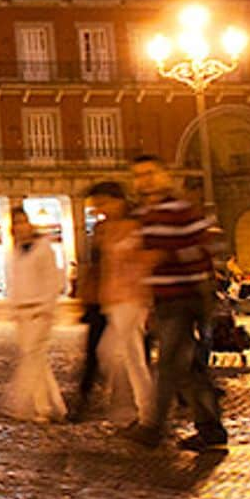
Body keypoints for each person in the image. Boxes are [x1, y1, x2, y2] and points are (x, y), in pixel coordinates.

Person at [121, 156, 227, 452]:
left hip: (186, 295)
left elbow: (205, 246)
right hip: (166, 298)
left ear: (164, 175)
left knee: (168, 363)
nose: (145, 180)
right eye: (139, 175)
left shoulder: (180, 210)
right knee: (188, 366)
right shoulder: (146, 214)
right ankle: (211, 428)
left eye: (151, 173)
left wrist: (165, 255)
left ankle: (153, 427)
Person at [89, 182, 157, 427]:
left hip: (132, 300)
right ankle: (131, 409)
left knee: (129, 357)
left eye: (102, 203)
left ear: (118, 201)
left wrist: (147, 302)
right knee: (114, 355)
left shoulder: (135, 227)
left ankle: (146, 412)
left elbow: (144, 263)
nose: (99, 209)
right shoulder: (106, 229)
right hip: (114, 301)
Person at [0, 208, 66, 422]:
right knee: (38, 361)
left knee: (31, 358)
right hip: (22, 313)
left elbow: (52, 280)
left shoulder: (43, 248)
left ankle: (35, 407)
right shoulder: (16, 251)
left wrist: (47, 307)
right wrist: (13, 308)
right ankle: (55, 406)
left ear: (29, 223)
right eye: (15, 223)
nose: (19, 227)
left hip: (39, 311)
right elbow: (13, 283)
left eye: (22, 222)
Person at [67, 199, 109, 422]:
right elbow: (94, 271)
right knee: (93, 354)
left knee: (133, 357)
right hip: (100, 302)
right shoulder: (98, 234)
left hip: (120, 301)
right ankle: (84, 395)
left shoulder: (124, 230)